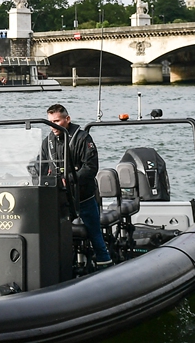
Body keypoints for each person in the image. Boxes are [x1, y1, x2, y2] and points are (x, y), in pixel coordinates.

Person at [43, 104, 112, 268]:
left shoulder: (82, 139)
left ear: (67, 119)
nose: (53, 125)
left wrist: (70, 179)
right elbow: (42, 165)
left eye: (57, 121)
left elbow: (91, 168)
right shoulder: (48, 142)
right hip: (58, 199)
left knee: (96, 237)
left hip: (83, 197)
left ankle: (105, 263)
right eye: (50, 122)